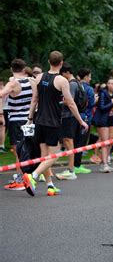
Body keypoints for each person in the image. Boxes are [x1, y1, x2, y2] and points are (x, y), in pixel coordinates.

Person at [23, 51, 88, 197]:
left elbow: (34, 100)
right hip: (52, 123)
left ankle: (50, 186)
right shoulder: (61, 81)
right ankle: (33, 176)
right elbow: (71, 103)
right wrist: (81, 120)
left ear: (48, 61)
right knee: (54, 156)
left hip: (39, 121)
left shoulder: (38, 77)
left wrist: (30, 118)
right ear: (61, 63)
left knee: (45, 156)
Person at [0, 59, 37, 190]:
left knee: (18, 152)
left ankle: (21, 180)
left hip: (17, 120)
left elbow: (1, 94)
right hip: (30, 119)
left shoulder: (13, 84)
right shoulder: (32, 81)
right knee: (28, 149)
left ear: (11, 69)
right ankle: (30, 176)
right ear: (24, 69)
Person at [55, 63, 85, 180]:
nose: (61, 77)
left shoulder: (71, 84)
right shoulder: (78, 83)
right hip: (73, 116)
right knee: (69, 142)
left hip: (68, 116)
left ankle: (70, 169)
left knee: (68, 142)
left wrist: (59, 102)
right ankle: (70, 169)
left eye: (62, 74)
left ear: (67, 72)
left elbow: (69, 101)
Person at [93, 77, 113, 173]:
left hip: (112, 119)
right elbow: (102, 107)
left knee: (110, 142)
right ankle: (104, 164)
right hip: (103, 119)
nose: (111, 85)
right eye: (109, 83)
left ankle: (105, 161)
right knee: (105, 142)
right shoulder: (103, 93)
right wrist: (111, 104)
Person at [73, 68, 96, 174]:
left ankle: (72, 164)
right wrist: (95, 100)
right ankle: (77, 165)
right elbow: (91, 104)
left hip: (74, 116)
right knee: (81, 142)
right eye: (90, 76)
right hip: (86, 117)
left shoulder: (73, 85)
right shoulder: (89, 89)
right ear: (86, 77)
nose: (90, 79)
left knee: (73, 141)